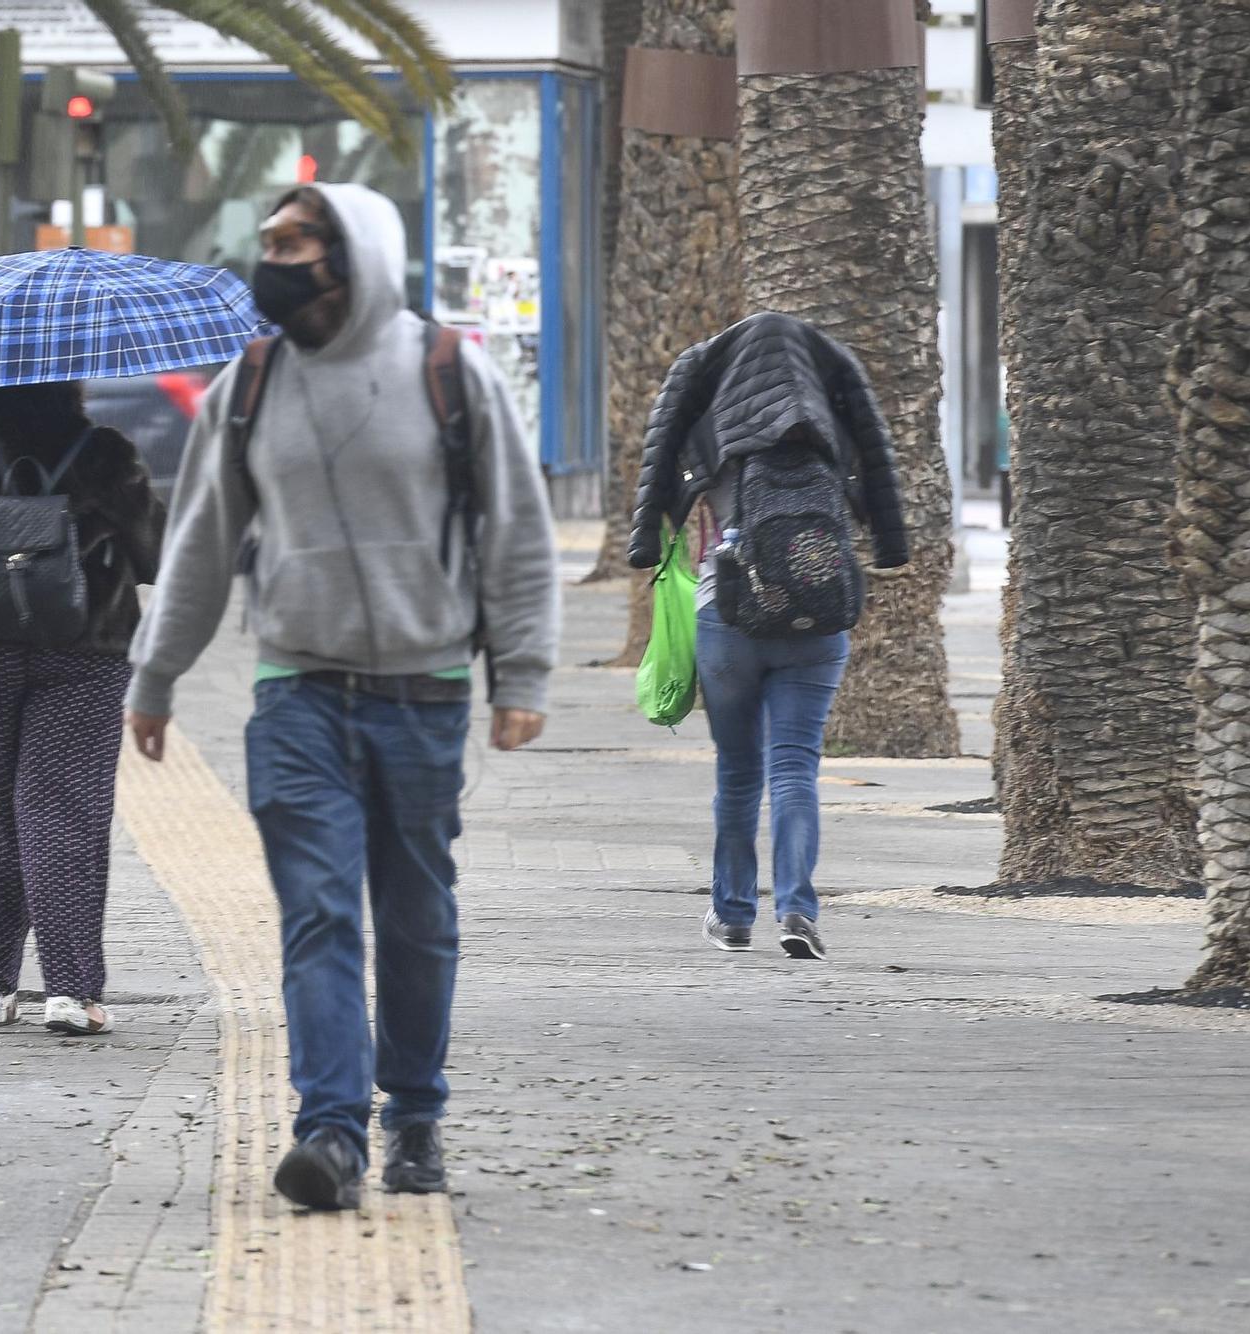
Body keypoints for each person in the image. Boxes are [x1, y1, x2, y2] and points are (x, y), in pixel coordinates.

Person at [125, 184, 560, 1211]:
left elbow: (514, 527)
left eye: (292, 241)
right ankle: (329, 1130)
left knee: (414, 916)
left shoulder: (448, 371)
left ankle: (414, 1110)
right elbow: (200, 534)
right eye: (265, 238)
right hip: (296, 687)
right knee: (318, 910)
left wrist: (524, 673)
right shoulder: (251, 378)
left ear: (352, 250)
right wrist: (155, 673)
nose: (271, 258)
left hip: (424, 690)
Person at [628, 312, 910, 963]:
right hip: (818, 617)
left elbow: (660, 452)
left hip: (725, 615)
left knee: (737, 772)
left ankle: (731, 916)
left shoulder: (702, 378)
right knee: (794, 767)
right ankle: (797, 909)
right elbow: (879, 455)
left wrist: (648, 538)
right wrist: (891, 542)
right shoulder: (835, 380)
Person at [0, 382, 164, 1035]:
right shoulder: (104, 450)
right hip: (85, 647)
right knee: (61, 803)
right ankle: (71, 991)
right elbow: (152, 554)